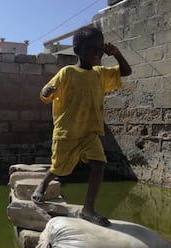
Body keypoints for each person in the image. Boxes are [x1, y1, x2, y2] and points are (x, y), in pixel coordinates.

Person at [31, 27, 132, 227]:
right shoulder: (67, 72)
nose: (98, 53)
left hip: (89, 132)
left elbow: (126, 71)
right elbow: (45, 96)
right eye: (92, 48)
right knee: (59, 167)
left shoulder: (99, 74)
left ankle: (88, 208)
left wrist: (117, 54)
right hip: (67, 132)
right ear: (77, 50)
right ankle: (42, 184)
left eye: (100, 49)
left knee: (99, 163)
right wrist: (45, 90)